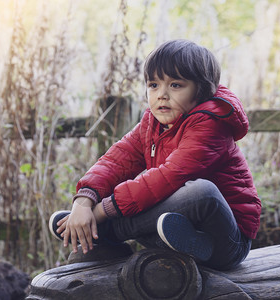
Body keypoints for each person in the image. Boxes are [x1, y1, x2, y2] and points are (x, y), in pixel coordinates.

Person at [49, 39, 261, 270]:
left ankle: (101, 233)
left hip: (227, 242)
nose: (162, 95)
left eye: (176, 85)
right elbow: (115, 161)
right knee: (160, 214)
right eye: (153, 85)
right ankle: (135, 242)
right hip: (175, 229)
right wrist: (83, 201)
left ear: (200, 90)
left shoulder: (211, 124)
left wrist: (99, 214)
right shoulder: (152, 122)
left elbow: (166, 178)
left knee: (203, 191)